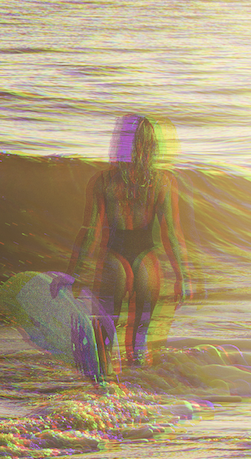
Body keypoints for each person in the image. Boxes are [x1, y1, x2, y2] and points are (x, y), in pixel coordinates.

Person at [71, 115, 188, 373]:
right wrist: (183, 277)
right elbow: (172, 234)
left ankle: (104, 393)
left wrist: (74, 275)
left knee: (103, 342)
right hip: (148, 262)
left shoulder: (103, 181)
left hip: (114, 259)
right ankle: (139, 394)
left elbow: (90, 232)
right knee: (139, 345)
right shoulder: (164, 182)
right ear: (152, 146)